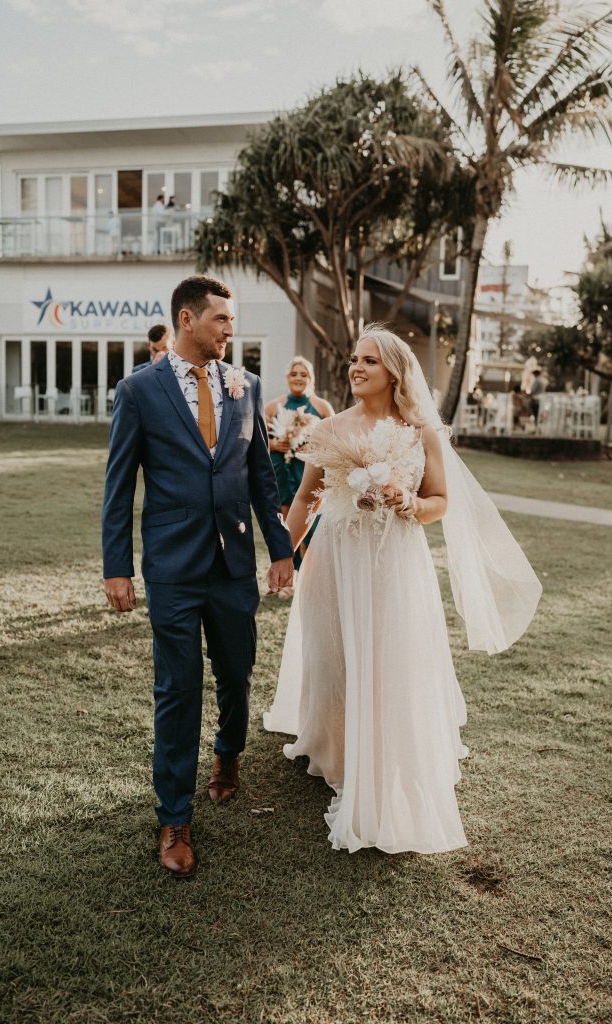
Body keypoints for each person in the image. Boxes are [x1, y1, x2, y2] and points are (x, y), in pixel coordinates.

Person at [264, 324, 542, 855]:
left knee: (392, 658)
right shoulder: (330, 427)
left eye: (369, 360)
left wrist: (411, 505)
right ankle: (337, 752)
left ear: (394, 370)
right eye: (353, 359)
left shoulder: (422, 433)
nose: (356, 367)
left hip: (396, 563)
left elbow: (440, 500)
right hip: (336, 559)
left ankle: (389, 753)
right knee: (334, 657)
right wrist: (287, 553)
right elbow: (304, 499)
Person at [102, 275, 294, 878]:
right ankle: (175, 817)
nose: (230, 330)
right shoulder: (138, 391)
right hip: (173, 568)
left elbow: (262, 477)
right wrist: (117, 567)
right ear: (187, 320)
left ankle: (228, 755)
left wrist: (281, 549)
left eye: (231, 321)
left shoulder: (247, 386)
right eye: (221, 320)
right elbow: (119, 485)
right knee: (177, 690)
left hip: (233, 565)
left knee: (236, 672)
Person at [265, 357, 334, 575]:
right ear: (287, 378)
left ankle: (309, 574)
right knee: (286, 523)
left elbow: (334, 441)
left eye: (303, 374)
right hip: (282, 470)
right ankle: (289, 576)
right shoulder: (274, 406)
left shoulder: (322, 407)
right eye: (294, 374)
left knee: (311, 522)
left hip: (308, 469)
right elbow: (255, 440)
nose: (298, 378)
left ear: (310, 379)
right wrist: (274, 444)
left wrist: (315, 449)